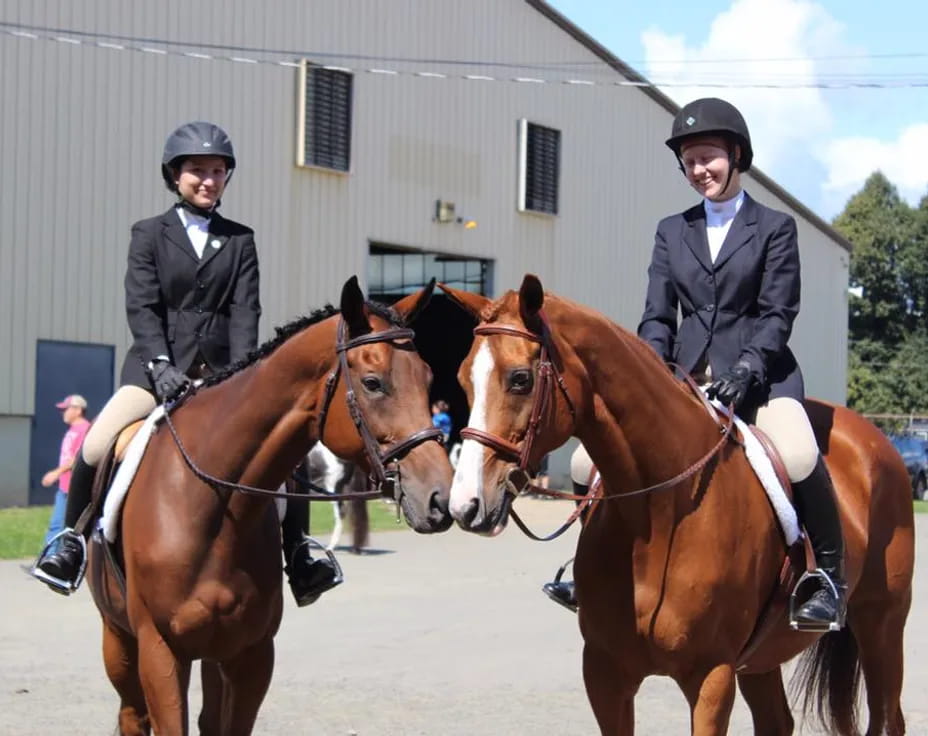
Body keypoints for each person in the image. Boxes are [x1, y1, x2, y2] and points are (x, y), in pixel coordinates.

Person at [543, 98, 847, 630]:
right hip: (683, 380)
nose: (699, 170)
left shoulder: (775, 227)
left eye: (708, 157)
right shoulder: (672, 230)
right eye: (689, 162)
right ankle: (592, 569)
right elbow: (657, 315)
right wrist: (650, 371)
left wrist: (747, 368)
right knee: (586, 463)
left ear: (736, 155)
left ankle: (827, 580)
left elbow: (777, 313)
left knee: (799, 453)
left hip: (760, 378)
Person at [32, 121, 339, 606]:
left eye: (217, 171)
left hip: (222, 375)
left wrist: (241, 378)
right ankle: (70, 543)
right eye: (198, 170)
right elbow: (142, 306)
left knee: (284, 449)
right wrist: (160, 365)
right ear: (175, 175)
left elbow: (245, 313)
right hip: (154, 373)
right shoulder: (149, 234)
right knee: (97, 442)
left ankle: (299, 552)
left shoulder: (240, 240)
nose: (208, 180)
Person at [40, 395, 92, 547]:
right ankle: (50, 556)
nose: (63, 413)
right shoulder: (72, 430)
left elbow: (77, 458)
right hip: (64, 486)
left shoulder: (84, 429)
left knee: (61, 526)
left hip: (73, 486)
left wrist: (56, 473)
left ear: (78, 410)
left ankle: (51, 557)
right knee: (57, 525)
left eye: (66, 409)